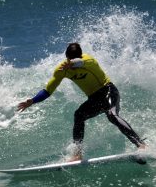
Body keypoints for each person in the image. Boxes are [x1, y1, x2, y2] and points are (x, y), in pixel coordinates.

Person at [17, 42, 146, 161]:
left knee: (112, 115)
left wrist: (73, 63)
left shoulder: (88, 60)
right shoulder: (62, 70)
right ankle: (78, 154)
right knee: (79, 115)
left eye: (74, 59)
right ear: (66, 57)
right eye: (69, 59)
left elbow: (80, 62)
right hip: (94, 98)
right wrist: (32, 101)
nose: (71, 62)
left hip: (108, 91)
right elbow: (48, 90)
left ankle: (141, 144)